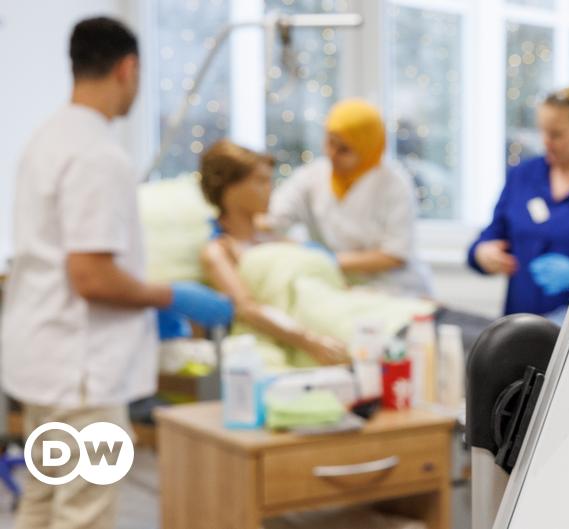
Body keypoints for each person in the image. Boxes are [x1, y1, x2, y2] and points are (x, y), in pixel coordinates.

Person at [0, 17, 232, 529]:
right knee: (84, 513)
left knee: (41, 499)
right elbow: (93, 277)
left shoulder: (45, 140)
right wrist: (169, 294)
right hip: (81, 372)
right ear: (129, 68)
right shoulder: (99, 156)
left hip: (42, 361)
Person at [199, 140, 349, 366]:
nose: (270, 189)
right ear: (230, 189)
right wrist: (310, 340)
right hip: (293, 332)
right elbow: (247, 309)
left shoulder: (278, 240)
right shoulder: (218, 252)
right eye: (261, 181)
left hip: (326, 307)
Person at [468, 86, 569, 316]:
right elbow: (491, 236)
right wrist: (482, 253)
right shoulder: (523, 177)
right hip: (520, 326)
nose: (546, 142)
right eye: (542, 132)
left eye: (556, 134)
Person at [267, 99, 432, 297]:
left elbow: (395, 255)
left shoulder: (394, 185)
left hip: (394, 289)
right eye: (329, 142)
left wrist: (326, 260)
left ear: (367, 148)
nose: (332, 154)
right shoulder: (312, 176)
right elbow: (275, 215)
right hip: (337, 287)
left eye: (344, 149)